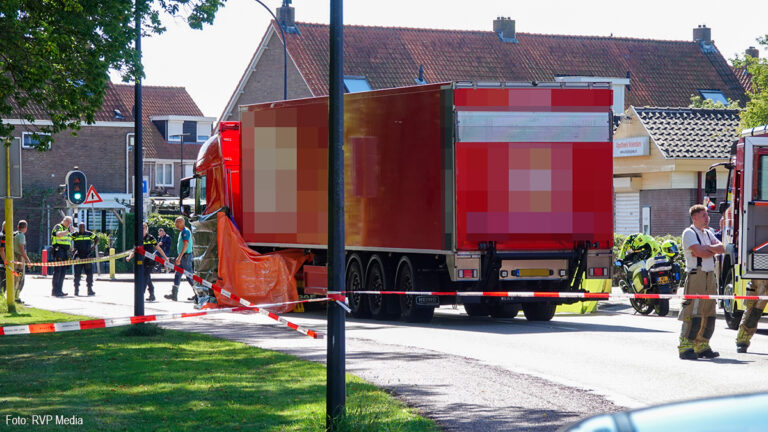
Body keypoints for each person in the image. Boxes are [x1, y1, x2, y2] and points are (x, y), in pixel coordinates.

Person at [678, 204, 725, 360]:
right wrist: (710, 250)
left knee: (709, 311)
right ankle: (686, 347)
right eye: (704, 215)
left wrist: (708, 248)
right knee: (693, 311)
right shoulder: (689, 233)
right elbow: (699, 253)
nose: (707, 218)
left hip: (710, 276)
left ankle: (702, 346)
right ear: (695, 218)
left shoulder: (708, 233)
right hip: (695, 276)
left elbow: (721, 248)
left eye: (707, 215)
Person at [126, 222, 169, 302]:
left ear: (146, 229)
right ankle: (152, 293)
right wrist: (129, 257)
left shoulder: (150, 238)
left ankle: (141, 294)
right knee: (147, 277)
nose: (142, 230)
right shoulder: (138, 238)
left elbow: (158, 248)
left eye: (143, 228)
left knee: (145, 277)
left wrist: (165, 257)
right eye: (141, 228)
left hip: (150, 261)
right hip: (141, 260)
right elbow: (134, 249)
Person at [165, 216, 195, 301]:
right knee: (177, 275)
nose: (176, 224)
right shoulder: (183, 231)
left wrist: (179, 257)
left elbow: (185, 245)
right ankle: (174, 294)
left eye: (178, 222)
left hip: (185, 257)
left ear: (183, 222)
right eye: (176, 222)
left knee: (189, 276)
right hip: (184, 257)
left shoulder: (185, 231)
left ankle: (198, 294)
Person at [735, 279, 768, 353]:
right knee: (755, 308)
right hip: (761, 274)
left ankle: (743, 339)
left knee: (756, 308)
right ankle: (742, 338)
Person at [51, 216, 74, 297]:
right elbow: (58, 235)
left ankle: (60, 290)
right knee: (58, 271)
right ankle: (55, 291)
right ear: (65, 221)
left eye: (70, 223)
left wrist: (72, 250)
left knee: (63, 271)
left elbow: (68, 242)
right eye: (68, 222)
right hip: (58, 251)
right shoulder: (58, 227)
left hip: (65, 252)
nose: (69, 224)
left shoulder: (67, 231)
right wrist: (68, 231)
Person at [72, 222, 96, 296]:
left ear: (85, 227)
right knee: (77, 274)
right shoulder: (75, 235)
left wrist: (93, 246)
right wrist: (72, 249)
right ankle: (76, 290)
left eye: (83, 227)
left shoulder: (89, 234)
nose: (82, 228)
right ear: (78, 228)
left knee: (89, 274)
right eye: (80, 227)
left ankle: (90, 289)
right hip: (78, 256)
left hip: (87, 256)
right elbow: (67, 239)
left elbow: (97, 238)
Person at [13, 220, 32, 304]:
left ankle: (13, 296)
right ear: (25, 228)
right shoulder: (21, 236)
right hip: (19, 259)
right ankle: (16, 297)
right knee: (20, 279)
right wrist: (28, 260)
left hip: (14, 258)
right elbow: (21, 249)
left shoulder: (14, 234)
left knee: (15, 278)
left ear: (18, 227)